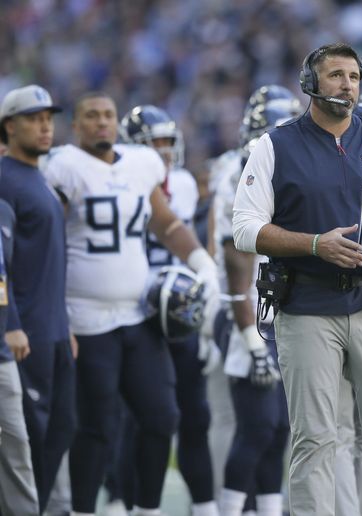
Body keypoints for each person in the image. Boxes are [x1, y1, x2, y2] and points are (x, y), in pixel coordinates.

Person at [231, 43, 362, 516]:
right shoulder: (274, 144)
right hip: (306, 303)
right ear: (310, 84)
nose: (346, 85)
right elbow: (244, 228)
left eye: (354, 76)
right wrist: (315, 244)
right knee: (316, 436)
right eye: (335, 75)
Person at [43, 92, 219, 516]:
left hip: (138, 316)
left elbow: (168, 223)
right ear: (77, 124)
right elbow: (49, 243)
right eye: (92, 116)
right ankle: (85, 509)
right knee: (97, 427)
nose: (101, 122)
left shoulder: (140, 167)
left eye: (107, 114)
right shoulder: (64, 166)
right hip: (85, 319)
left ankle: (147, 508)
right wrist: (56, 313)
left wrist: (201, 263)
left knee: (161, 418)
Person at [114, 104, 220, 515]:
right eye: (153, 143)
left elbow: (191, 240)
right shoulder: (120, 180)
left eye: (166, 142)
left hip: (179, 307)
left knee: (195, 414)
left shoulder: (183, 184)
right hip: (137, 307)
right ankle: (128, 502)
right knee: (139, 417)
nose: (163, 151)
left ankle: (206, 505)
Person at [216, 99, 297, 516]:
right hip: (246, 310)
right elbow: (237, 260)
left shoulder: (278, 170)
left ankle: (266, 508)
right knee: (258, 427)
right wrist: (250, 339)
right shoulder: (242, 174)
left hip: (272, 309)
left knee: (280, 428)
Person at [0, 84, 76, 513]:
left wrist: (64, 325)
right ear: (10, 126)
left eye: (49, 118)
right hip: (25, 332)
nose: (45, 126)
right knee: (29, 437)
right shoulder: (5, 181)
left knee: (60, 428)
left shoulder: (38, 179)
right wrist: (9, 322)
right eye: (33, 118)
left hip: (52, 330)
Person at [0, 194, 40, 516]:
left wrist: (9, 322)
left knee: (16, 447)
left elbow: (3, 280)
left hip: (1, 354)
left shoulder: (4, 211)